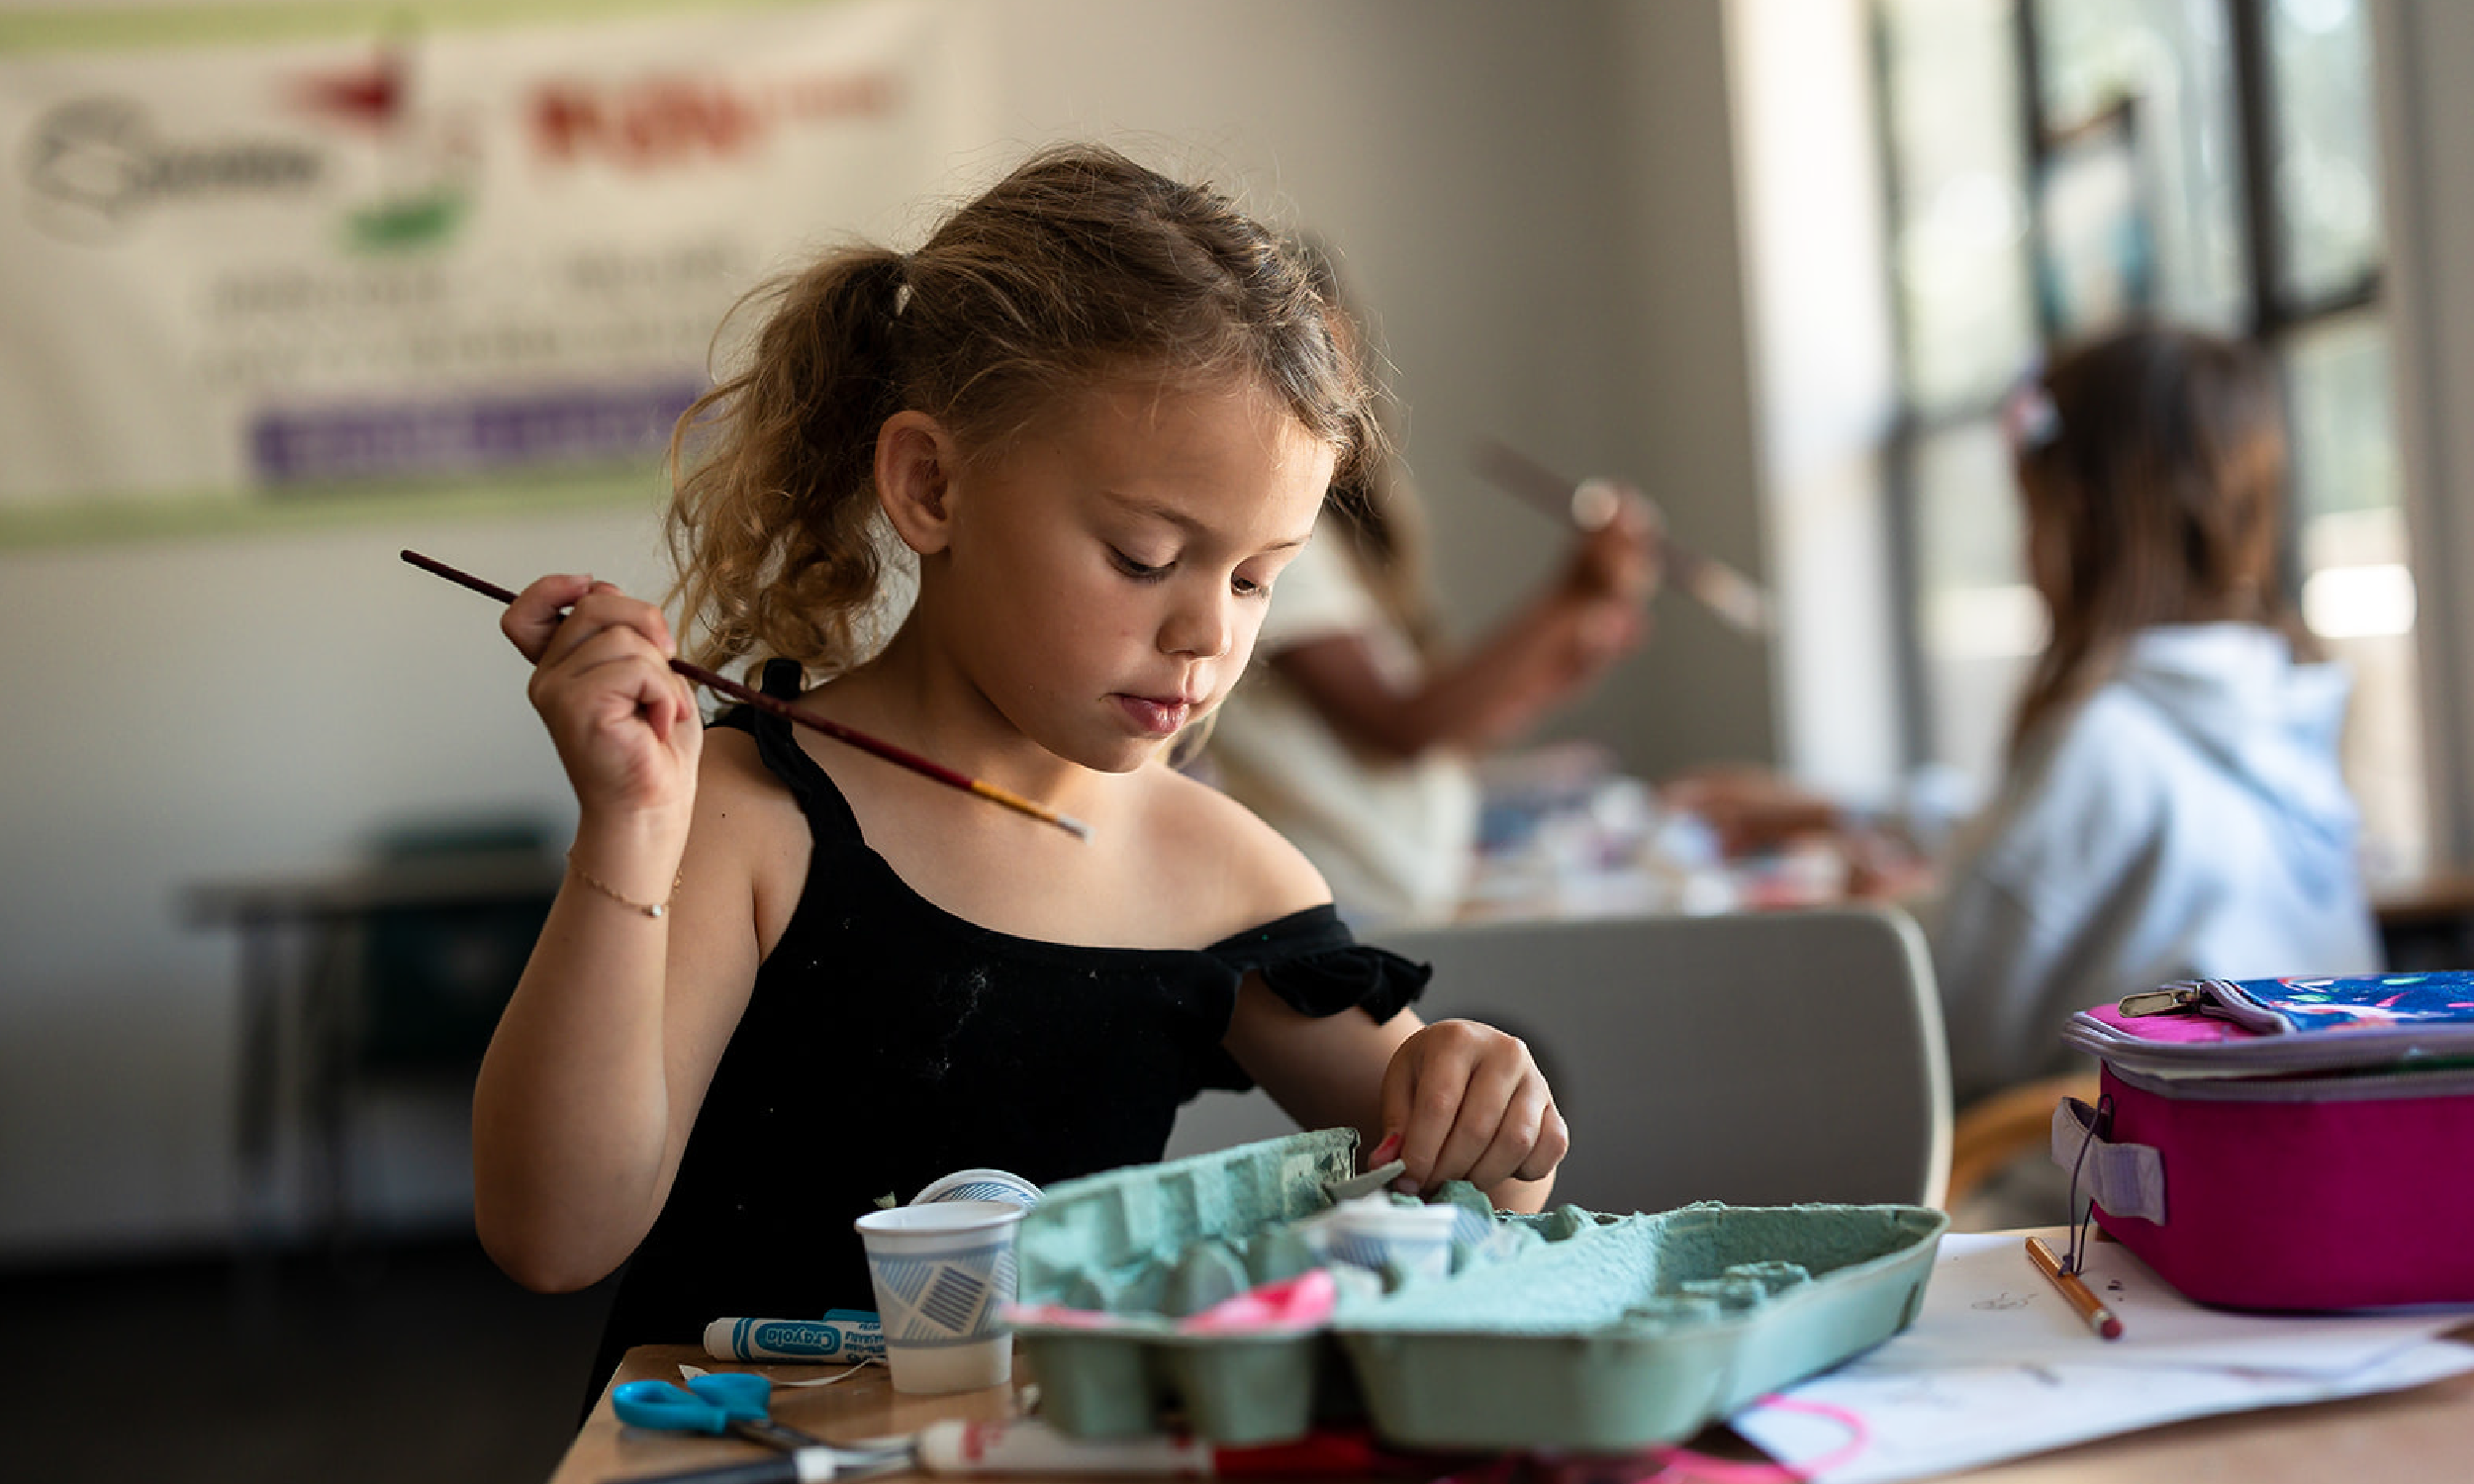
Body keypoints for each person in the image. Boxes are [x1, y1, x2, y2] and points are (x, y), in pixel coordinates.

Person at [466, 144, 1569, 1399]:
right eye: (1146, 556)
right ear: (932, 485)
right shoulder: (745, 815)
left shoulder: (1216, 870)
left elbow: (1474, 1198)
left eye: (1259, 576)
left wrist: (1490, 1114)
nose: (1209, 633)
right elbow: (551, 1237)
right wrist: (624, 835)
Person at [1670, 324, 2382, 1109]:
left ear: (2076, 519)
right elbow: (2027, 854)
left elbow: (1945, 1020)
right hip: (2309, 1180)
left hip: (2108, 1195)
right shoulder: (2279, 703)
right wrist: (1856, 819)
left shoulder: (2104, 740)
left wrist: (1881, 916)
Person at [1203, 244, 1661, 926]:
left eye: (1329, 366)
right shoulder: (1265, 535)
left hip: (1393, 892)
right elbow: (1406, 726)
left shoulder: (1328, 537)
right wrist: (1567, 599)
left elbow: (1446, 731)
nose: (1316, 393)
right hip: (1336, 899)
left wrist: (1558, 660)